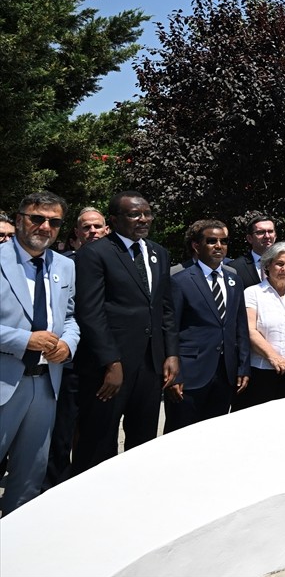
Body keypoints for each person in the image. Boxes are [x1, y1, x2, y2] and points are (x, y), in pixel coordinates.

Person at [72, 191, 178, 475]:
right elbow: (90, 313)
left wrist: (171, 353)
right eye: (134, 214)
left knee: (143, 440)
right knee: (98, 440)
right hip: (109, 369)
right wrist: (111, 361)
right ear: (115, 220)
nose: (143, 219)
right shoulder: (94, 254)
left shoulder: (158, 253)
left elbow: (164, 307)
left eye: (146, 213)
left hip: (150, 365)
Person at [1, 192, 79, 513]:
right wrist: (23, 340)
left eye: (55, 222)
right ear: (19, 220)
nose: (46, 226)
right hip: (5, 382)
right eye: (38, 218)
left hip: (46, 385)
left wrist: (68, 345)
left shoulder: (65, 265)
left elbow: (71, 317)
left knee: (30, 476)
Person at [43, 205, 109, 490]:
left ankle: (89, 486)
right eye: (86, 227)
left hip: (102, 362)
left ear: (106, 230)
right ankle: (53, 488)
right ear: (77, 233)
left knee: (97, 432)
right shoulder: (62, 264)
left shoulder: (119, 264)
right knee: (61, 432)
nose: (92, 231)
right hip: (67, 362)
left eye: (97, 226)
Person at [164, 220, 250, 432]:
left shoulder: (233, 280)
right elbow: (170, 328)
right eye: (211, 241)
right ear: (196, 245)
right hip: (190, 374)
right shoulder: (180, 280)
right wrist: (175, 374)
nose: (219, 246)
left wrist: (242, 366)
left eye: (223, 241)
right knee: (180, 434)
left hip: (225, 373)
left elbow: (240, 326)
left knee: (213, 435)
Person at [238, 241, 285, 409]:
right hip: (262, 370)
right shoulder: (253, 293)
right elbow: (250, 329)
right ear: (268, 264)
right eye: (279, 264)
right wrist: (274, 357)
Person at [230, 214, 276, 289]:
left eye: (270, 231)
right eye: (261, 232)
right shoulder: (235, 267)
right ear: (249, 238)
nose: (267, 236)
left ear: (275, 236)